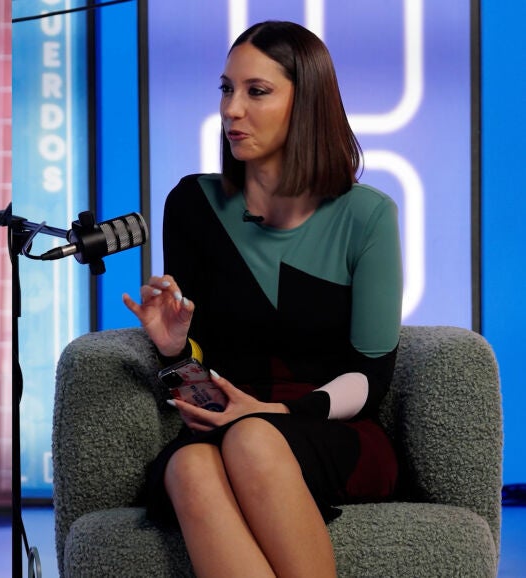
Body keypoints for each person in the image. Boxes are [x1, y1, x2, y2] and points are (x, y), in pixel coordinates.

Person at [123, 21, 402, 578]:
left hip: (326, 426)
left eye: (257, 91)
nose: (232, 109)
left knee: (252, 439)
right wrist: (175, 351)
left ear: (308, 102)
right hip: (224, 421)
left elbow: (370, 376)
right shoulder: (193, 204)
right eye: (227, 89)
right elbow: (201, 392)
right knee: (189, 470)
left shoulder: (366, 215)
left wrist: (274, 413)